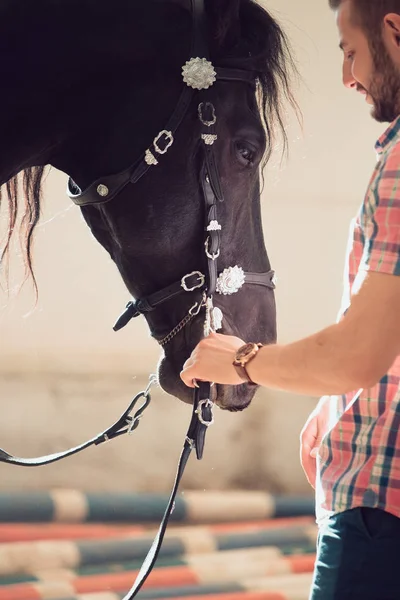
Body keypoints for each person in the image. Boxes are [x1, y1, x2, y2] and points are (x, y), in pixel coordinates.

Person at [181, 1, 400, 598]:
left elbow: (357, 356)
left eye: (348, 51)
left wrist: (237, 358)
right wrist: (338, 413)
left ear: (394, 30)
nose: (348, 77)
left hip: (381, 517)